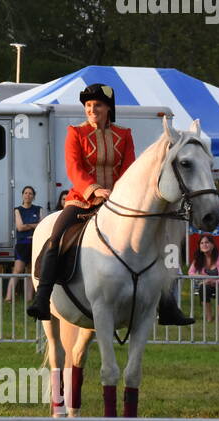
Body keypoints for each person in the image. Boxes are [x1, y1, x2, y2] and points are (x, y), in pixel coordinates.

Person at [27, 82, 195, 325]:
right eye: (88, 105)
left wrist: (119, 194)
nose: (91, 109)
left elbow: (128, 170)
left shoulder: (123, 135)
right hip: (82, 200)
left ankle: (167, 304)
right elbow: (74, 169)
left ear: (108, 109)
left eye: (97, 105)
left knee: (161, 240)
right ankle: (42, 298)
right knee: (56, 237)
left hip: (119, 202)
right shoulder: (75, 133)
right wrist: (95, 190)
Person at [5, 186, 42, 302]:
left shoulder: (38, 209)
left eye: (30, 193)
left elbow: (41, 225)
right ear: (22, 195)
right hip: (22, 244)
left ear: (33, 196)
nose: (28, 195)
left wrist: (28, 225)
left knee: (31, 270)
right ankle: (8, 297)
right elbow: (20, 227)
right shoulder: (18, 210)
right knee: (18, 269)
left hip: (35, 243)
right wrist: (33, 225)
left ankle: (29, 298)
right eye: (25, 193)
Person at [188, 234, 219, 323]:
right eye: (202, 243)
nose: (204, 245)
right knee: (203, 288)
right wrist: (204, 277)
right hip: (208, 284)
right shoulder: (199, 258)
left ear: (213, 245)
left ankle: (218, 318)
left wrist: (214, 281)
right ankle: (209, 317)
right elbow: (190, 273)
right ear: (199, 246)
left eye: (207, 242)